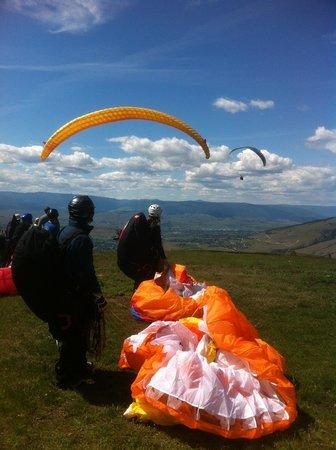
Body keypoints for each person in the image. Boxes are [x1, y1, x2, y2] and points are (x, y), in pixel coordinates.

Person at [51, 195, 107, 388]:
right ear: (87, 214)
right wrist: (98, 296)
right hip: (74, 296)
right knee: (76, 334)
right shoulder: (81, 239)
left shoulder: (65, 231)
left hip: (62, 293)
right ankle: (67, 377)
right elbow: (85, 274)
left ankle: (78, 367)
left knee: (73, 334)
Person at [117, 204, 168, 289]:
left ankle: (139, 294)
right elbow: (157, 246)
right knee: (146, 277)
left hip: (123, 261)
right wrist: (165, 263)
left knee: (141, 278)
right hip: (133, 264)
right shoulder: (150, 229)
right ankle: (143, 297)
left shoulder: (139, 223)